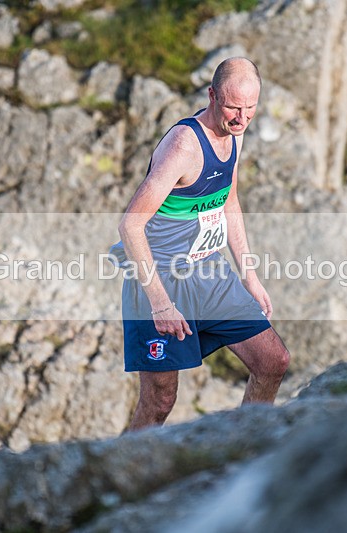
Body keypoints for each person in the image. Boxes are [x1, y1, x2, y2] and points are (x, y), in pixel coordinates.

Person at [110, 57, 290, 431]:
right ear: (211, 95)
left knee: (273, 361)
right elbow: (130, 226)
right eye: (232, 108)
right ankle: (117, 476)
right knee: (160, 401)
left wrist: (250, 277)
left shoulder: (235, 133)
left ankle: (241, 451)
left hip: (210, 271)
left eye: (250, 109)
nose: (241, 119)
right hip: (161, 280)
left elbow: (230, 201)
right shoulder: (183, 147)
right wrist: (160, 304)